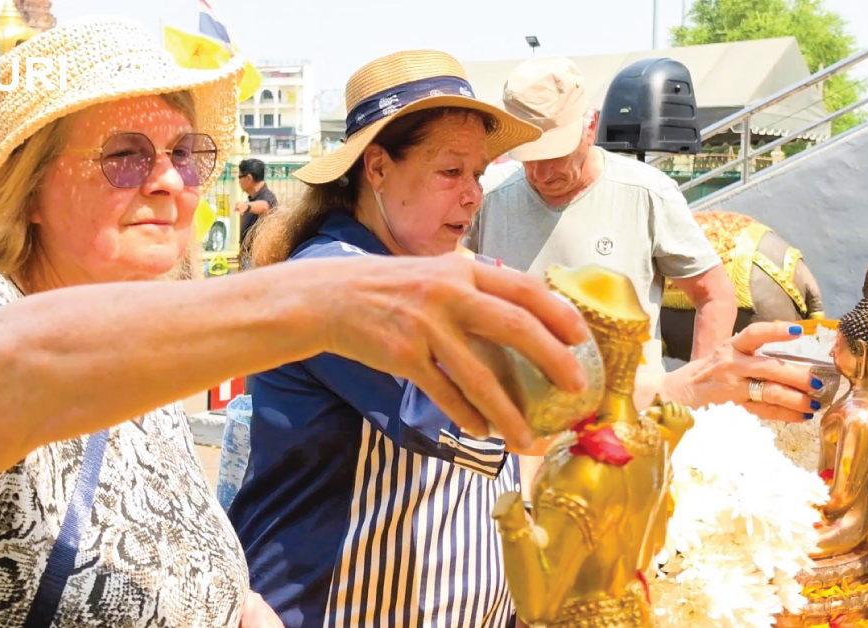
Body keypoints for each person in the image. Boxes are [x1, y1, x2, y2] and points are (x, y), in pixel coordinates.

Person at [0, 20, 592, 628]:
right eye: (126, 156)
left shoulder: (146, 338)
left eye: (186, 154)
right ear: (31, 187)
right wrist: (322, 302)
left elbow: (205, 573)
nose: (169, 180)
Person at [230, 50, 824, 628]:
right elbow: (492, 412)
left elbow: (558, 384)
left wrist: (695, 380)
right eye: (449, 171)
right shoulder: (336, 279)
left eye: (478, 174)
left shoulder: (455, 269)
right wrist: (680, 389)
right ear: (378, 167)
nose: (472, 195)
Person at [465, 56, 738, 368]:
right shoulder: (484, 196)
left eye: (554, 155)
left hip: (625, 410)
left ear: (590, 128)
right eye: (527, 157)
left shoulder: (647, 193)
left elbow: (715, 296)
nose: (540, 174)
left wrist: (698, 393)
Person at [236, 158, 277, 266]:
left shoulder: (267, 196)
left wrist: (247, 206)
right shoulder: (252, 199)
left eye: (240, 177)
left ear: (248, 178)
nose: (239, 181)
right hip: (248, 257)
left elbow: (265, 206)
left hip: (258, 260)